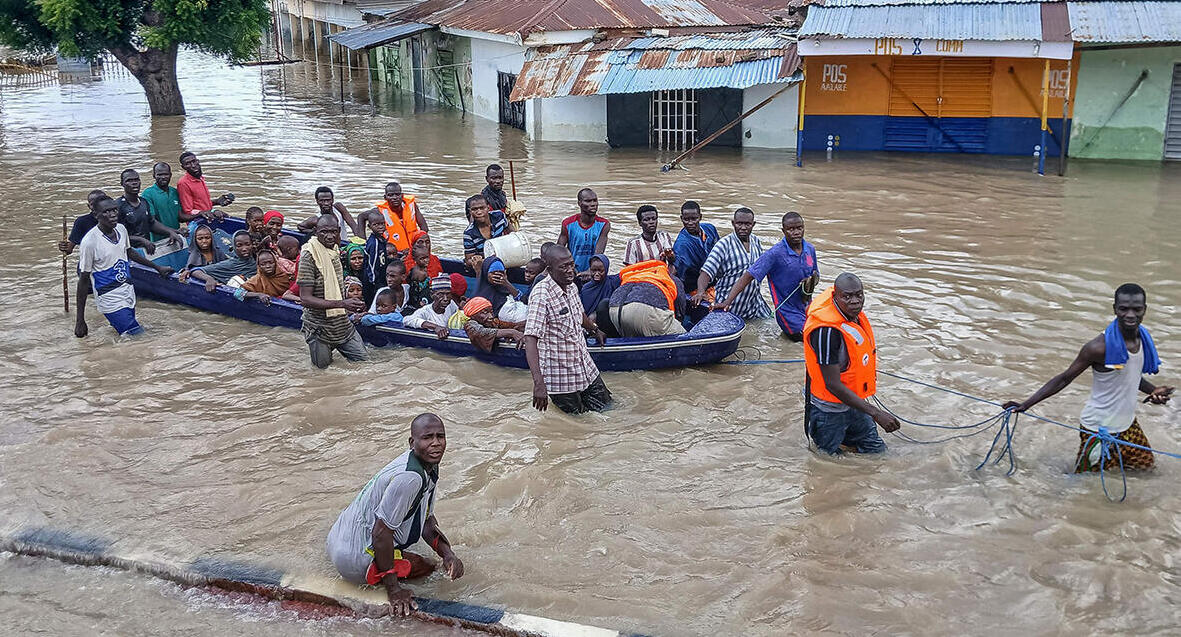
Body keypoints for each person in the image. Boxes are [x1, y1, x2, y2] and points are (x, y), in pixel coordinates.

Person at [1003, 284, 1173, 472]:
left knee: (1147, 471)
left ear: (1145, 310)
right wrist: (1026, 404)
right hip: (1099, 429)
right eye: (1124, 309)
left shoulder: (1143, 338)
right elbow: (1064, 378)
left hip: (1128, 425)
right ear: (1115, 309)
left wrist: (1153, 390)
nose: (1131, 315)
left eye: (1137, 309)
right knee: (1085, 482)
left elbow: (1128, 375)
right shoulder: (1099, 348)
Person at [326, 413, 463, 617]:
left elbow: (426, 522)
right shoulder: (410, 478)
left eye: (440, 437)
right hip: (353, 558)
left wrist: (447, 553)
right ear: (412, 442)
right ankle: (376, 575)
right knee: (428, 568)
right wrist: (394, 590)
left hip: (337, 539)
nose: (436, 443)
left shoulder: (427, 466)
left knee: (433, 560)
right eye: (427, 438)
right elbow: (380, 534)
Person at [802, 273, 900, 455]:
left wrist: (869, 410)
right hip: (829, 411)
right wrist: (876, 413)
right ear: (835, 297)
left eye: (859, 295)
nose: (855, 301)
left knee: (877, 453)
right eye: (847, 296)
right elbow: (832, 384)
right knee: (826, 461)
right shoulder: (826, 332)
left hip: (855, 403)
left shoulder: (853, 317)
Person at [524, 245, 611, 414]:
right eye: (564, 267)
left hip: (585, 366)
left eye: (572, 264)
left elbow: (579, 315)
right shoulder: (541, 295)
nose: (570, 270)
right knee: (577, 424)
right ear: (549, 270)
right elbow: (530, 338)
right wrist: (539, 384)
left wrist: (594, 329)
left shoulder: (571, 287)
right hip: (560, 377)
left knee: (609, 409)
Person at [73, 196, 173, 338]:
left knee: (125, 335)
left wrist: (157, 267)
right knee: (139, 337)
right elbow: (83, 280)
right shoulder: (90, 242)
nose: (113, 215)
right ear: (96, 215)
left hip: (127, 289)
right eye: (107, 212)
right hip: (108, 295)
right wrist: (80, 320)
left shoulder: (121, 229)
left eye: (114, 210)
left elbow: (129, 252)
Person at [715, 212, 818, 341]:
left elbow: (815, 274)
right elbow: (747, 276)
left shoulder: (810, 249)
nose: (796, 232)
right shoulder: (774, 254)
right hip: (788, 314)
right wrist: (727, 302)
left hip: (808, 307)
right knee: (811, 340)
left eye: (799, 228)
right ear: (783, 231)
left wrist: (811, 281)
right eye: (791, 229)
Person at [299, 215, 368, 368]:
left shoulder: (334, 251)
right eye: (324, 232)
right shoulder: (309, 256)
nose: (329, 236)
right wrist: (342, 303)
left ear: (338, 232)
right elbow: (305, 299)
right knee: (322, 373)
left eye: (332, 232)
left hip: (342, 325)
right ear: (316, 232)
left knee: (365, 364)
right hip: (319, 328)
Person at [696, 208, 772, 321]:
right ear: (733, 223)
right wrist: (701, 292)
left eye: (747, 224)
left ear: (753, 224)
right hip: (729, 305)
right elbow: (707, 271)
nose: (743, 227)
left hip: (755, 305)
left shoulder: (756, 241)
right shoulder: (723, 245)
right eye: (739, 223)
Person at [607, 259, 687, 338]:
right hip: (644, 310)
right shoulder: (671, 278)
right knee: (683, 337)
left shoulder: (634, 274)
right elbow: (680, 309)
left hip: (614, 310)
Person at [356, 182, 429, 257]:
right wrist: (362, 242)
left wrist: (420, 246)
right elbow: (361, 217)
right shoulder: (379, 211)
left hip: (414, 251)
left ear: (402, 195)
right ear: (385, 197)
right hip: (395, 253)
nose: (394, 197)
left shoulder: (411, 206)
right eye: (390, 195)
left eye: (397, 194)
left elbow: (424, 228)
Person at [116, 169, 184, 245]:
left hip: (147, 247)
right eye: (129, 180)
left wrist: (172, 231)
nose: (134, 183)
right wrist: (141, 240)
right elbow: (116, 234)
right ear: (122, 184)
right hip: (128, 250)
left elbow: (151, 223)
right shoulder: (118, 206)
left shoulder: (143, 202)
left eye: (136, 180)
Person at [672, 200, 719, 297]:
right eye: (686, 219)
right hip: (693, 286)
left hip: (713, 280)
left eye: (694, 219)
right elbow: (677, 271)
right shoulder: (682, 245)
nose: (690, 223)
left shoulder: (710, 229)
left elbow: (720, 252)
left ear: (700, 217)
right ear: (681, 219)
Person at [558, 188, 610, 273]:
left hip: (594, 271)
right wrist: (570, 268)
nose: (593, 204)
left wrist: (590, 270)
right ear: (579, 203)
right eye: (588, 201)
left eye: (595, 200)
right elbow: (559, 251)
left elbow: (599, 252)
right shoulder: (567, 224)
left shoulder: (604, 224)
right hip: (571, 270)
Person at [185, 230, 257, 291]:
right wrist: (209, 279)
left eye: (247, 244)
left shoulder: (257, 259)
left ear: (252, 245)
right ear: (234, 247)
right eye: (239, 245)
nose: (244, 249)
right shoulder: (230, 264)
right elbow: (196, 271)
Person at [176, 151, 234, 221]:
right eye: (188, 164)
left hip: (208, 217)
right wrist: (204, 212)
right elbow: (188, 211)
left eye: (194, 161)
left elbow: (200, 203)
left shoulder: (200, 178)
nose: (193, 165)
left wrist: (217, 201)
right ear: (183, 167)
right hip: (198, 221)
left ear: (198, 161)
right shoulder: (183, 183)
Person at [475, 257, 526, 326]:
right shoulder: (479, 295)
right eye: (493, 273)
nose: (497, 276)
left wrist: (506, 283)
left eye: (501, 273)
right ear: (486, 273)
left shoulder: (506, 292)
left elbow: (524, 300)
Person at [139, 162, 185, 240]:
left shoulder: (174, 192)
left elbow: (180, 217)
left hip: (176, 236)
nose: (163, 177)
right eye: (159, 175)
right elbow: (151, 222)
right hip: (158, 241)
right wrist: (175, 231)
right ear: (154, 176)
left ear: (170, 175)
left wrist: (200, 214)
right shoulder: (147, 194)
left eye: (166, 174)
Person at [59, 189, 110, 256]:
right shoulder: (82, 222)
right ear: (88, 206)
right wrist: (64, 247)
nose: (97, 207)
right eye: (93, 204)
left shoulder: (114, 219)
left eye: (100, 203)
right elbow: (69, 249)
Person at [578, 254, 620, 323]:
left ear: (606, 270)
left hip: (606, 320)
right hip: (588, 322)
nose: (597, 274)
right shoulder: (586, 289)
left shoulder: (613, 282)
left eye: (600, 271)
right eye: (593, 270)